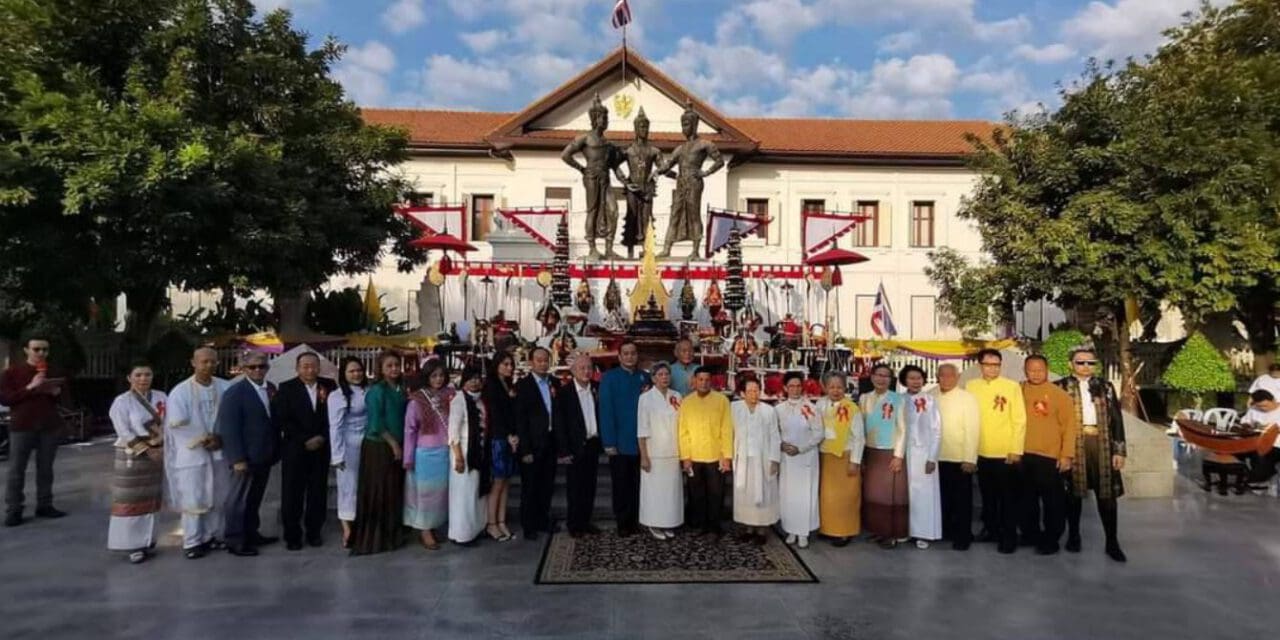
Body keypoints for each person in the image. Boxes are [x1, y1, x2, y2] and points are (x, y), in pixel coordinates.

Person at [1056, 346, 1126, 562]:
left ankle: (1112, 542)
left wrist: (1119, 451)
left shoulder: (1105, 387)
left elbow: (1116, 419)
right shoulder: (1060, 387)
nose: (1086, 367)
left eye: (1090, 363)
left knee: (1107, 494)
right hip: (1073, 444)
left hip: (1101, 442)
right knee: (1073, 493)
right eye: (1080, 362)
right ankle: (1074, 536)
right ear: (1071, 364)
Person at [164, 347, 232, 559]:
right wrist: (205, 439)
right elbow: (177, 424)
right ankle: (192, 541)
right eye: (204, 362)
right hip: (193, 454)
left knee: (218, 496)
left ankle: (212, 536)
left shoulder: (225, 387)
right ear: (193, 363)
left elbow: (231, 417)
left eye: (212, 362)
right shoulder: (180, 391)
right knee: (194, 498)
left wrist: (220, 438)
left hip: (219, 451)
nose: (208, 366)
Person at [215, 351, 280, 557]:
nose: (257, 370)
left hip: (264, 454)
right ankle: (234, 539)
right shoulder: (235, 393)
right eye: (252, 367)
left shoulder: (271, 389)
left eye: (261, 366)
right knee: (238, 499)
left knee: (254, 498)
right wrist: (237, 459)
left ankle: (252, 533)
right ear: (244, 369)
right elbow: (229, 428)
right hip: (244, 457)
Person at [1, 335, 67, 527]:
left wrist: (56, 393)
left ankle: (45, 504)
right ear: (26, 350)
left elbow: (65, 401)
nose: (41, 353)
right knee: (16, 470)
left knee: (46, 468)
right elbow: (6, 399)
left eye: (45, 350)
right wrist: (31, 387)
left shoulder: (53, 371)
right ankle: (14, 509)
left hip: (49, 425)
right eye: (36, 349)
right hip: (22, 426)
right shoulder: (12, 373)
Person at [966, 348, 1026, 555]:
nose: (992, 368)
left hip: (1005, 453)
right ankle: (991, 529)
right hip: (981, 451)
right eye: (988, 364)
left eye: (996, 365)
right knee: (987, 497)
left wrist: (1015, 449)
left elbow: (1019, 420)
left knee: (1007, 498)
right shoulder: (971, 386)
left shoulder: (1011, 387)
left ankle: (1009, 537)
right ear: (980, 365)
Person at [273, 352, 336, 550]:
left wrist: (322, 437)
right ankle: (292, 535)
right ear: (297, 368)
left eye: (314, 366)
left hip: (321, 448)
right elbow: (282, 419)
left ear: (319, 367)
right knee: (292, 493)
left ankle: (314, 532)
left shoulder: (329, 386)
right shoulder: (286, 388)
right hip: (295, 449)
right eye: (305, 366)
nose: (310, 370)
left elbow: (333, 417)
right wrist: (304, 440)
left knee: (317, 492)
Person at [106, 361, 167, 564]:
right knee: (131, 500)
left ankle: (148, 539)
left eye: (147, 374)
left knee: (151, 499)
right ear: (129, 378)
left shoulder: (161, 397)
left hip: (158, 452)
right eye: (138, 375)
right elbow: (123, 429)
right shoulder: (122, 401)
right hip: (132, 454)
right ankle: (131, 545)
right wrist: (146, 449)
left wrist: (162, 447)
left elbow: (169, 422)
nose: (143, 379)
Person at [350, 351, 408, 555]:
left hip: (398, 444)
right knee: (379, 492)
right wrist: (394, 445)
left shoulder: (401, 389)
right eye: (389, 366)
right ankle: (375, 538)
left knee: (392, 491)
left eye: (396, 365)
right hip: (379, 446)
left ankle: (393, 534)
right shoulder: (377, 391)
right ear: (381, 369)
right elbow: (376, 423)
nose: (394, 369)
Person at [1019, 355, 1078, 555]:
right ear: (1024, 370)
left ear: (1047, 369)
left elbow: (1070, 427)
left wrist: (1067, 455)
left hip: (1049, 457)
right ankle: (1030, 534)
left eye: (1039, 369)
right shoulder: (1018, 391)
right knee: (1026, 500)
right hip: (1023, 454)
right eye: (1031, 370)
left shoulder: (1060, 396)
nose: (1035, 373)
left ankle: (1051, 538)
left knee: (1053, 502)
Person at [599, 340, 650, 537]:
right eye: (626, 354)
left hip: (642, 443)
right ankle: (622, 522)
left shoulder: (645, 378)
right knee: (621, 485)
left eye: (633, 353)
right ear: (619, 357)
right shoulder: (610, 378)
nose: (630, 357)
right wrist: (609, 442)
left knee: (638, 485)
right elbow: (606, 411)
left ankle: (636, 520)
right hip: (619, 442)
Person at [677, 366, 733, 539]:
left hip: (716, 455)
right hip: (694, 457)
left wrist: (727, 456)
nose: (703, 383)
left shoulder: (722, 400)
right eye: (700, 379)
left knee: (716, 493)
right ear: (694, 381)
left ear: (711, 381)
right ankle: (700, 525)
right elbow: (683, 431)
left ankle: (714, 526)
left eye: (707, 380)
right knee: (696, 494)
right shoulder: (686, 402)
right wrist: (685, 457)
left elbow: (726, 429)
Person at [403, 361, 452, 550]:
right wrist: (408, 457)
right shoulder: (417, 400)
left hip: (446, 450)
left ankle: (435, 525)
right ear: (426, 377)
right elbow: (409, 430)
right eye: (434, 376)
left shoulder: (450, 395)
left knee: (441, 494)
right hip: (425, 453)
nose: (438, 379)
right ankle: (424, 530)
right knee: (425, 494)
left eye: (441, 375)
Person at [932, 363, 980, 550]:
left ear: (957, 377)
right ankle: (945, 531)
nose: (945, 379)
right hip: (937, 457)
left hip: (959, 458)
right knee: (943, 499)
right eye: (941, 376)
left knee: (962, 501)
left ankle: (963, 536)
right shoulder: (931, 396)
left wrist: (970, 458)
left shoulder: (967, 399)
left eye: (949, 376)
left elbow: (972, 429)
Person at [860, 364, 908, 549]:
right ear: (871, 377)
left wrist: (898, 456)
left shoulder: (898, 399)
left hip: (889, 452)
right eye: (878, 375)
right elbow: (860, 426)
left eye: (886, 376)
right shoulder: (864, 398)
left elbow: (903, 429)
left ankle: (892, 534)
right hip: (871, 451)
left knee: (890, 496)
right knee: (873, 494)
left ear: (891, 379)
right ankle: (877, 530)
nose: (881, 379)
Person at [554, 352, 602, 537]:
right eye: (582, 368)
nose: (586, 371)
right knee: (575, 488)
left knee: (590, 486)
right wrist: (564, 450)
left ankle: (586, 521)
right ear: (573, 371)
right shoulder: (564, 393)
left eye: (589, 367)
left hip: (593, 444)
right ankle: (574, 524)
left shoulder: (597, 388)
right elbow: (560, 423)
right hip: (574, 447)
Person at [515, 347, 560, 540]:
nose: (543, 363)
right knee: (530, 486)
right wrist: (524, 449)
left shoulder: (555, 383)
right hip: (532, 444)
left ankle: (543, 520)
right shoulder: (523, 386)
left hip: (550, 441)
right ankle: (529, 524)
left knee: (546, 485)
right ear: (531, 362)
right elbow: (520, 420)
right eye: (539, 360)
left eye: (545, 360)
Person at [775, 371, 823, 548]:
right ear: (785, 388)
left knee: (805, 495)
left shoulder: (811, 408)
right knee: (788, 495)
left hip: (806, 457)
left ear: (802, 387)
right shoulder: (778, 409)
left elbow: (819, 433)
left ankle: (803, 532)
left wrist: (801, 448)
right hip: (787, 458)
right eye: (791, 386)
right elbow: (774, 432)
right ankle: (791, 530)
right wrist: (781, 445)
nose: (794, 389)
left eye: (797, 386)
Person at [731, 378, 782, 545]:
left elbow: (775, 436)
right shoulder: (734, 408)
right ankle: (748, 529)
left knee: (764, 495)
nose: (754, 394)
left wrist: (774, 459)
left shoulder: (768, 411)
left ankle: (762, 531)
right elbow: (729, 432)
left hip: (763, 460)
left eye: (757, 390)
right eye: (750, 391)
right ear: (742, 393)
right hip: (743, 460)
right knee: (745, 495)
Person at [817, 371, 864, 547]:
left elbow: (859, 437)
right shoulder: (820, 405)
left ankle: (844, 531)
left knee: (846, 497)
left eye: (839, 387)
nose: (835, 390)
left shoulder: (852, 408)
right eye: (831, 387)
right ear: (826, 388)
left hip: (846, 456)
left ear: (845, 388)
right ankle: (827, 529)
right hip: (826, 455)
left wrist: (855, 461)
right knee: (827, 497)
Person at [638, 362, 683, 539]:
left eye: (667, 374)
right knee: (654, 492)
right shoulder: (645, 398)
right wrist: (644, 456)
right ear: (653, 378)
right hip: (654, 453)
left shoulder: (677, 396)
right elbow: (642, 428)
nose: (664, 377)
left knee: (671, 492)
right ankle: (654, 523)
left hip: (673, 452)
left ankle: (669, 522)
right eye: (660, 375)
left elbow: (682, 424)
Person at [328, 357, 368, 549]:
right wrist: (337, 455)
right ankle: (347, 528)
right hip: (348, 446)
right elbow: (335, 427)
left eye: (359, 370)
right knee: (348, 488)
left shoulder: (368, 391)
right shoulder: (337, 396)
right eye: (351, 371)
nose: (356, 374)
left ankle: (362, 525)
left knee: (363, 486)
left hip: (368, 444)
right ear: (343, 374)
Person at [447, 365, 490, 545]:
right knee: (463, 495)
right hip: (464, 451)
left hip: (478, 450)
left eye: (478, 378)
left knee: (476, 492)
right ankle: (462, 534)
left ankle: (477, 528)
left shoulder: (479, 400)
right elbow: (453, 431)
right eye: (471, 379)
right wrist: (458, 456)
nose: (475, 382)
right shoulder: (459, 400)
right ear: (464, 381)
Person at [900, 365, 941, 550]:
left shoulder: (930, 401)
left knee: (923, 495)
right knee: (905, 494)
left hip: (924, 454)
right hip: (903, 453)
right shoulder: (899, 400)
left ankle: (923, 533)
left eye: (918, 378)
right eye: (911, 378)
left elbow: (937, 430)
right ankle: (905, 530)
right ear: (904, 380)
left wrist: (932, 457)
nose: (915, 382)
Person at [482, 353, 519, 541]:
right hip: (498, 438)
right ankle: (491, 523)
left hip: (509, 437)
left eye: (511, 364)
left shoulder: (508, 385)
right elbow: (496, 414)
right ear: (496, 365)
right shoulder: (491, 385)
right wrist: (508, 435)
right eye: (505, 364)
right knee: (497, 482)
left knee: (506, 482)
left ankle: (502, 520)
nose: (509, 368)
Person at [1243, 390, 1280, 482]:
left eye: (1265, 405)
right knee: (1235, 450)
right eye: (1260, 406)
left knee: (1260, 454)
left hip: (1275, 444)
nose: (1263, 408)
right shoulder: (1254, 409)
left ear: (1273, 400)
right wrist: (1251, 426)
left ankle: (1258, 477)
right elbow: (1244, 423)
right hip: (1254, 441)